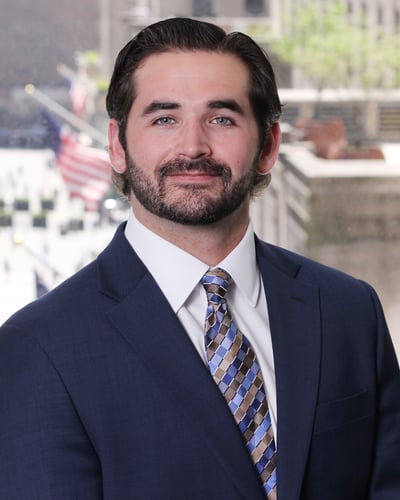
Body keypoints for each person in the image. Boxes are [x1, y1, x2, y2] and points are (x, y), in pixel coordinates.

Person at [0, 17, 399, 500]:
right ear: (117, 145)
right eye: (164, 119)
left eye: (222, 119)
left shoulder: (350, 311)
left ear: (268, 146)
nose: (193, 147)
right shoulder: (38, 349)